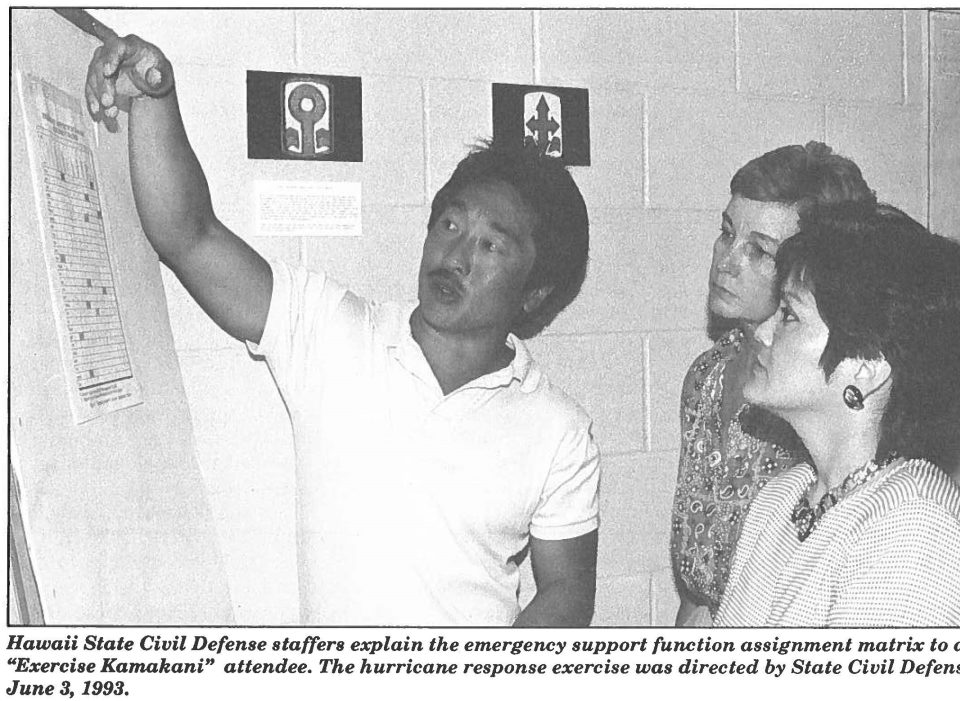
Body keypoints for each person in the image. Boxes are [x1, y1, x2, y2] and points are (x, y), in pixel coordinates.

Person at [85, 35, 599, 626]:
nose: (454, 254)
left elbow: (566, 594)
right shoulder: (328, 329)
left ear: (535, 291)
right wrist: (155, 95)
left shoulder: (560, 430)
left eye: (489, 244)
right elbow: (188, 234)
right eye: (450, 223)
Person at [715, 202, 960, 626]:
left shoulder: (913, 527)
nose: (763, 330)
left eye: (789, 315)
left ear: (866, 369)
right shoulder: (781, 498)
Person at [671, 143, 876, 625]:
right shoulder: (706, 377)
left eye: (759, 250)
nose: (726, 260)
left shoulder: (820, 395)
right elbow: (698, 590)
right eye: (726, 233)